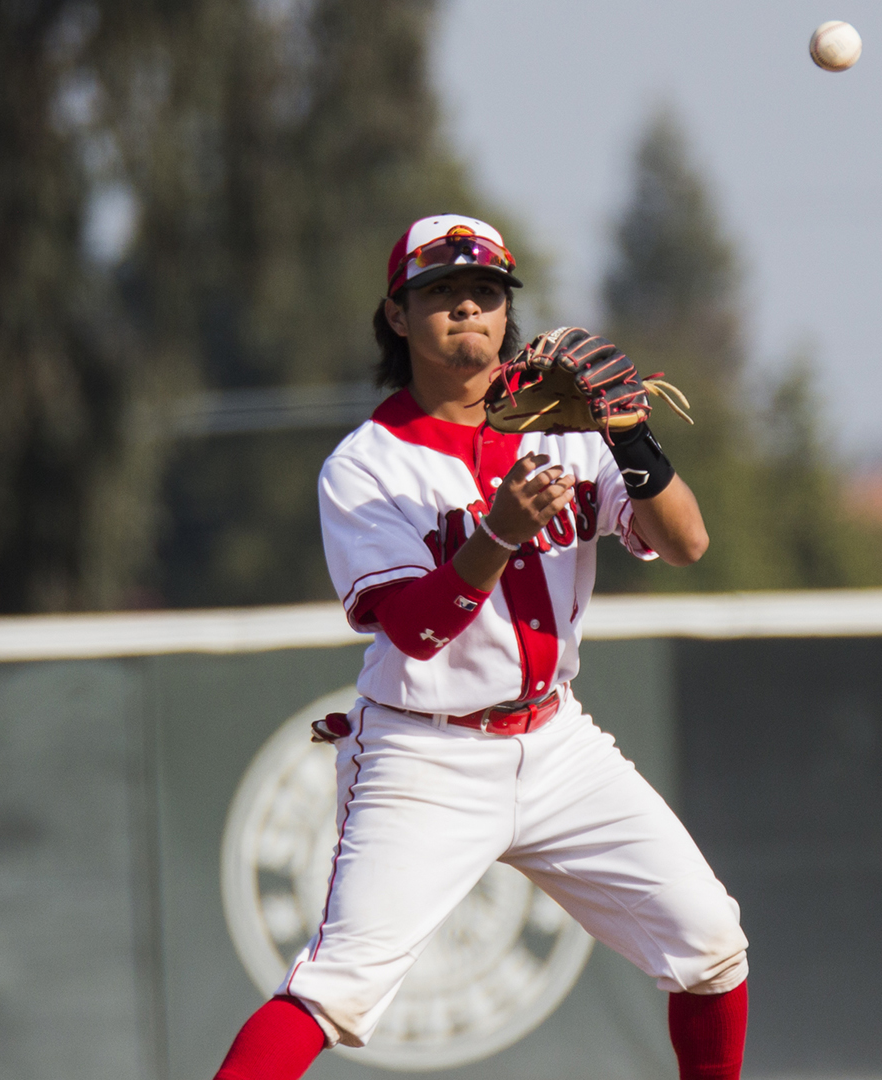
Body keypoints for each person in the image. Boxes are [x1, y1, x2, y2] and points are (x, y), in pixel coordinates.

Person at [213, 214, 749, 1080]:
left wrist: (629, 433)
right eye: (441, 293)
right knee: (335, 989)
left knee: (712, 943)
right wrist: (496, 534)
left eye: (486, 292)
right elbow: (413, 632)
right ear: (398, 316)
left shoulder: (566, 427)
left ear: (507, 313)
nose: (468, 308)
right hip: (427, 754)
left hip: (557, 741)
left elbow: (686, 542)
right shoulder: (367, 466)